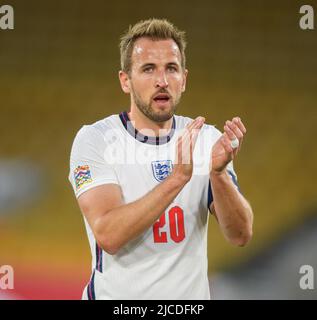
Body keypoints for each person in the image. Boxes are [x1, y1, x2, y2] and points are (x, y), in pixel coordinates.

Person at [68, 18, 253, 300]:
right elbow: (109, 235)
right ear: (125, 81)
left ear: (184, 79)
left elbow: (240, 235)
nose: (162, 80)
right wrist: (177, 178)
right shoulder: (96, 140)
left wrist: (219, 174)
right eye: (148, 69)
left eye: (171, 68)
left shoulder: (206, 140)